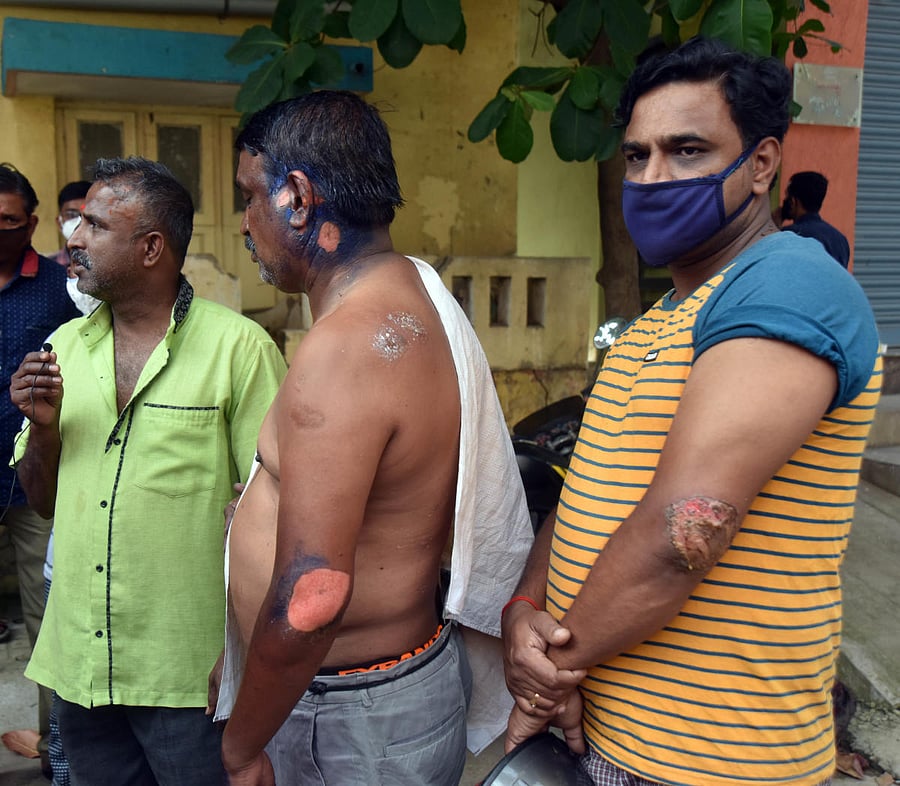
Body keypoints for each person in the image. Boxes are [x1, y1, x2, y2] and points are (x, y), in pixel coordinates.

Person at [501, 37, 882, 786]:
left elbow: (685, 527)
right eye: (637, 156)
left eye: (686, 151)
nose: (651, 177)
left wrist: (550, 674)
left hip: (712, 759)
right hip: (611, 736)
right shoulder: (661, 318)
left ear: (763, 163)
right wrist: (524, 607)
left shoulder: (788, 284)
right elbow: (586, 490)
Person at [211, 91, 533, 786]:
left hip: (345, 721)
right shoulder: (410, 292)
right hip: (385, 702)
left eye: (249, 198)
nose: (245, 223)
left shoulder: (346, 350)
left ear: (298, 198)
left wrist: (241, 747)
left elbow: (310, 600)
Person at [10, 156, 286, 786]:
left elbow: (274, 513)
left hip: (189, 673)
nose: (73, 240)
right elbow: (43, 501)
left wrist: (242, 654)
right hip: (82, 664)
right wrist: (45, 433)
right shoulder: (62, 349)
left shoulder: (239, 351)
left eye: (94, 225)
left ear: (151, 247)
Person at [0, 162, 80, 778]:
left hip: (35, 487)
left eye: (7, 220)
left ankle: (60, 753)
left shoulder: (63, 289)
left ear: (30, 225)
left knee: (49, 630)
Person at [779, 170, 851, 268]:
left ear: (792, 201)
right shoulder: (840, 240)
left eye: (787, 195)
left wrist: (774, 223)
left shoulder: (790, 235)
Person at [49, 181, 90, 269]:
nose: (79, 221)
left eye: (87, 215)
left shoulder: (111, 264)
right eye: (71, 215)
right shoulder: (47, 269)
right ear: (59, 223)